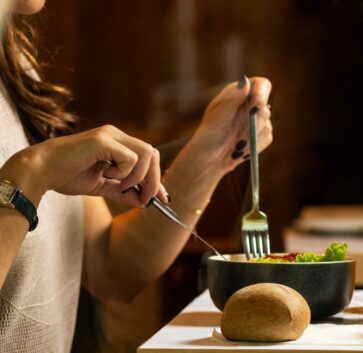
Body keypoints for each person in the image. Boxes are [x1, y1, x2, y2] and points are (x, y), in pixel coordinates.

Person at [0, 0, 273, 351]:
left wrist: (212, 153)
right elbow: (31, 175)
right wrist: (29, 175)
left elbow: (109, 265)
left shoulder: (15, 70)